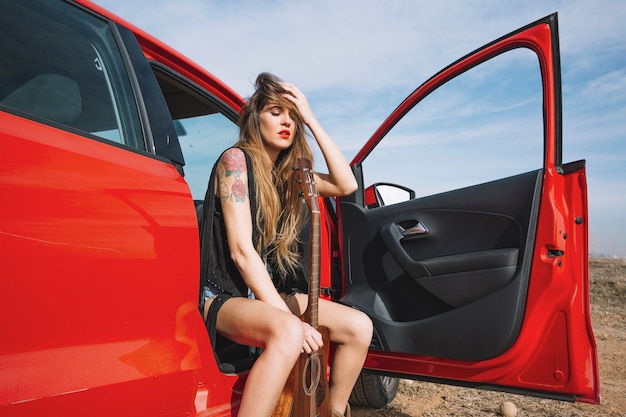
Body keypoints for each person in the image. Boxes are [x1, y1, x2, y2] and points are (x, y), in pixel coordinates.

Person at [199, 72, 373, 417]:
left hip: (264, 295)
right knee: (290, 332)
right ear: (255, 116)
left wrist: (311, 118)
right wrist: (293, 321)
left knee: (359, 327)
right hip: (220, 295)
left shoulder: (288, 175)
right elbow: (241, 252)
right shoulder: (235, 161)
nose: (286, 122)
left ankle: (332, 412)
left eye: (292, 116)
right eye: (276, 111)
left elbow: (344, 184)